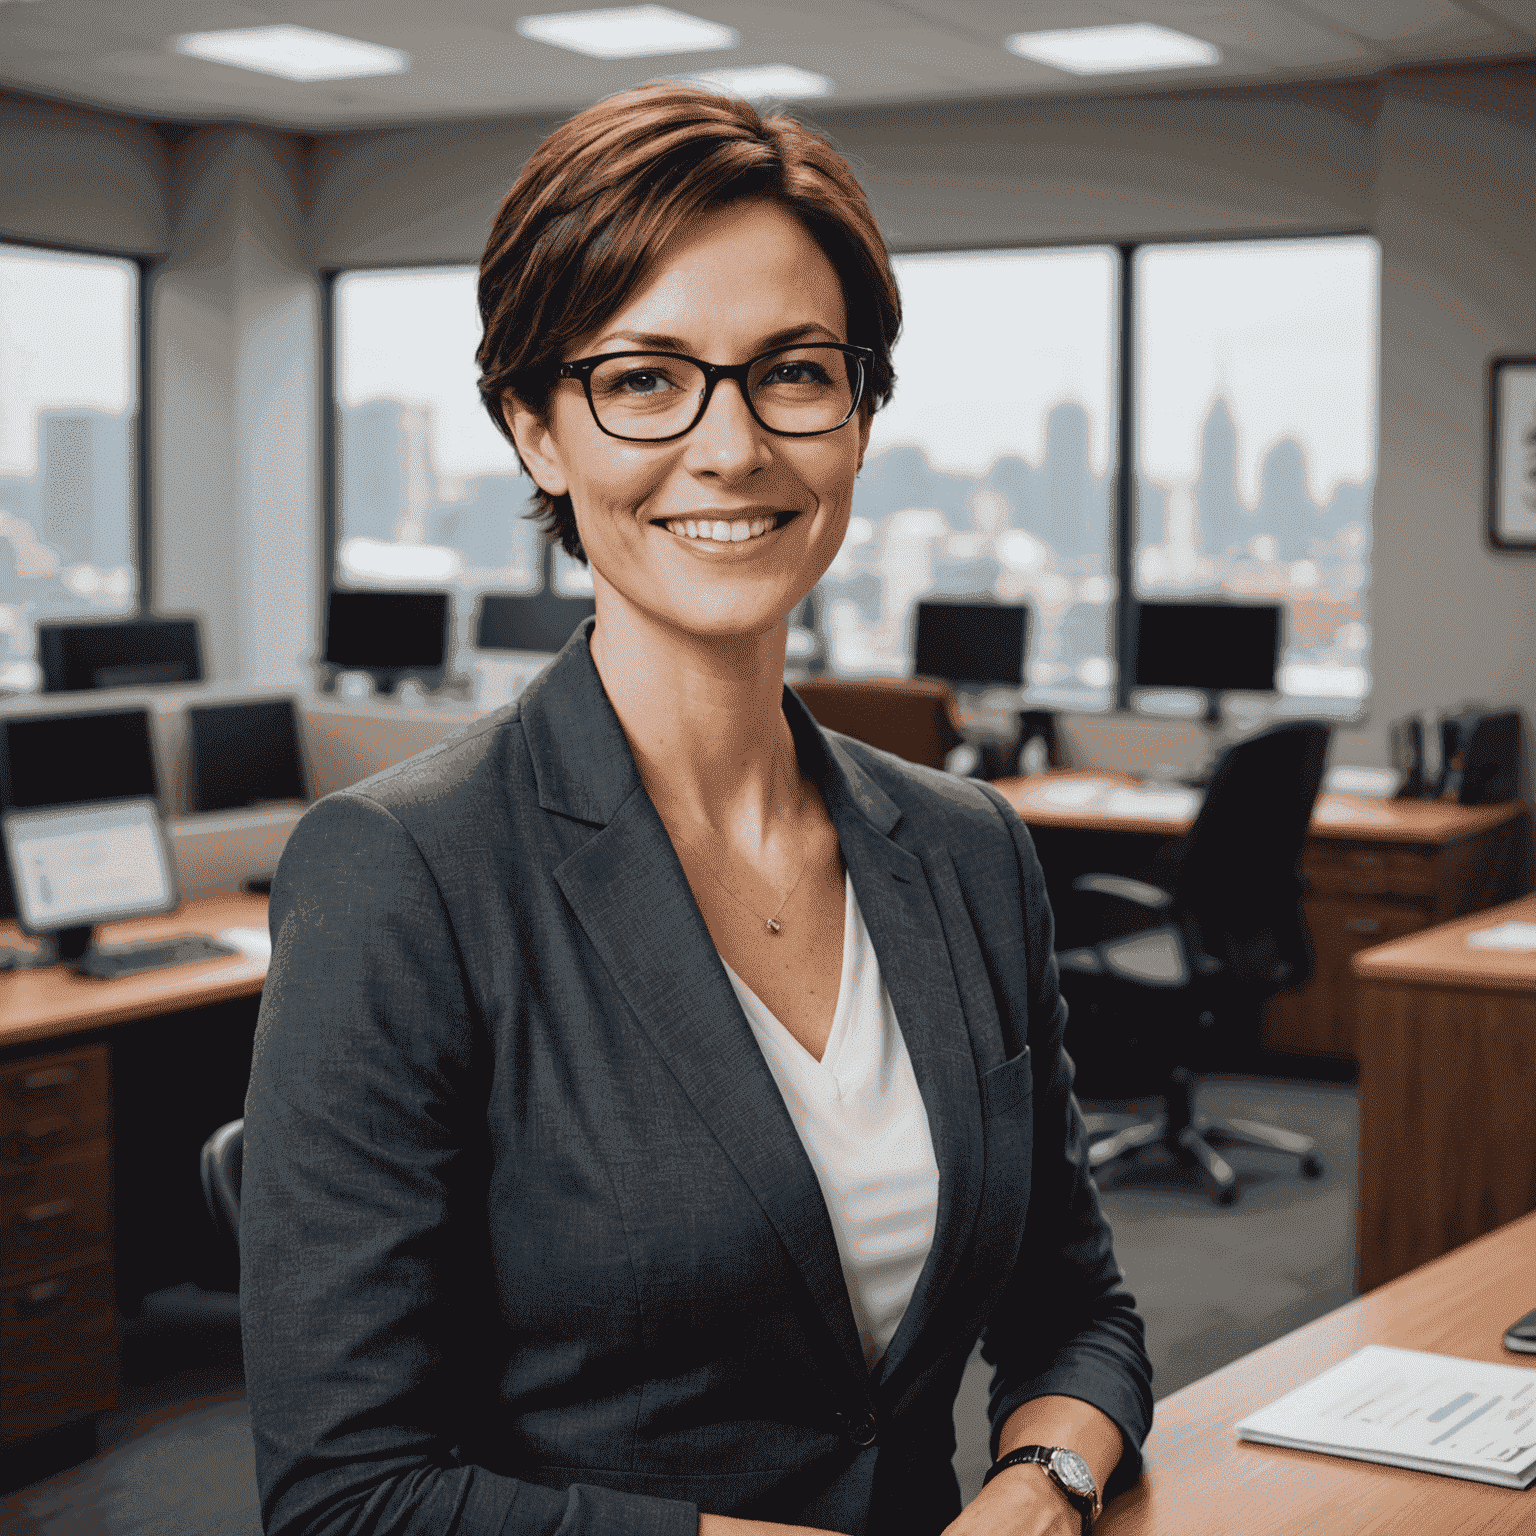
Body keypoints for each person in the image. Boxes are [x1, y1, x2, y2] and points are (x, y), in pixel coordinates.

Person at [241, 83, 1152, 1536]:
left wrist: (1045, 1481)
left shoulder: (968, 851)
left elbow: (1078, 1314)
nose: (731, 448)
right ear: (538, 430)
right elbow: (350, 1496)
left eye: (793, 372)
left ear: (859, 415)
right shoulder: (405, 875)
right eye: (646, 379)